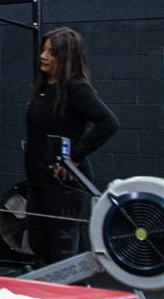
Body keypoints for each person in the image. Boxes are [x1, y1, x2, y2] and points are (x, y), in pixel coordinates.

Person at [23, 27, 119, 264]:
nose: (43, 56)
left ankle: (70, 296)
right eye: (43, 50)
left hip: (64, 186)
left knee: (61, 253)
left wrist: (74, 157)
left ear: (66, 58)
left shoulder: (76, 89)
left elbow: (109, 122)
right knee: (38, 246)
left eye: (51, 53)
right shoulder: (44, 88)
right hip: (38, 181)